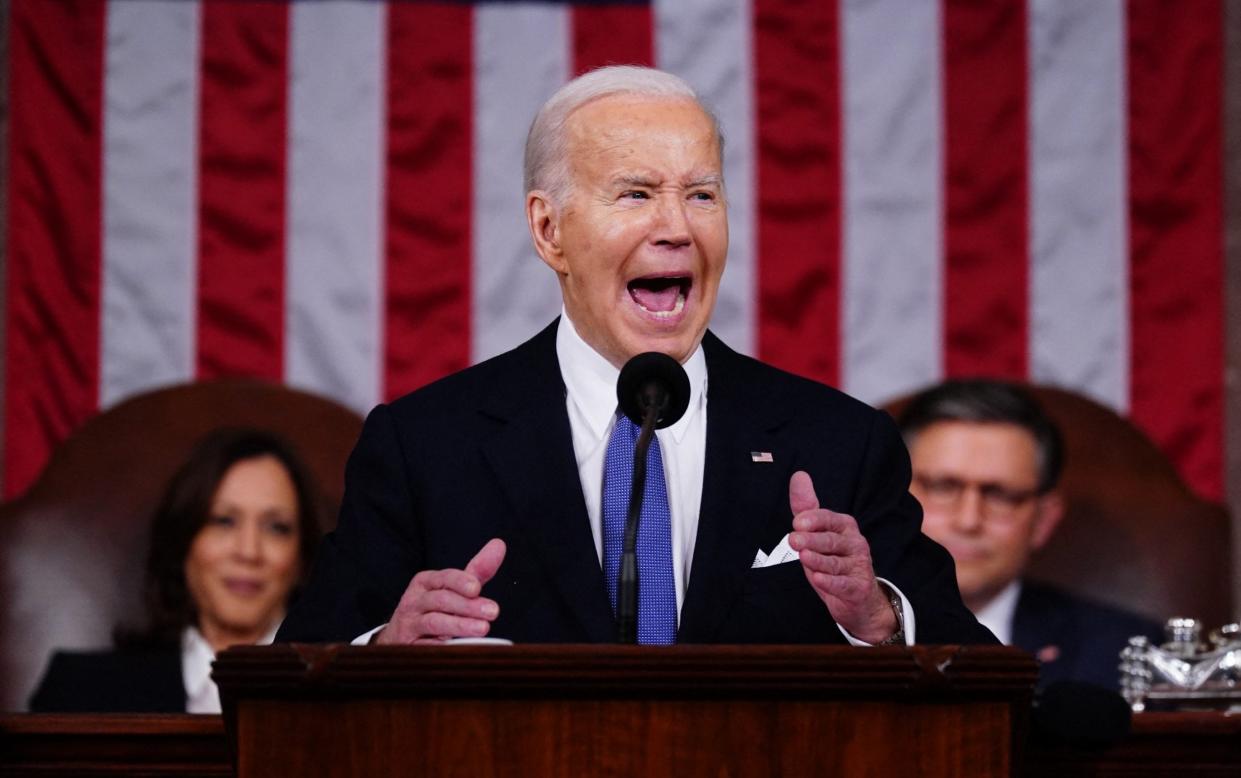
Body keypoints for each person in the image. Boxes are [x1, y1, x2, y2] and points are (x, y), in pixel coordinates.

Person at [277, 65, 993, 648]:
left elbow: (978, 679)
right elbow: (297, 678)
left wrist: (876, 619)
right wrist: (387, 650)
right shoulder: (426, 445)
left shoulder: (837, 443)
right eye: (636, 193)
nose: (676, 227)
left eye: (701, 195)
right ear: (548, 228)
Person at [30, 428, 324, 712]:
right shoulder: (79, 692)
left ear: (302, 558)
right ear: (184, 543)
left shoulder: (340, 700)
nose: (248, 552)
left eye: (276, 528)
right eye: (224, 521)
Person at [896, 379, 1162, 689]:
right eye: (943, 487)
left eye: (1001, 495)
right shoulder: (831, 633)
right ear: (894, 500)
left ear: (1043, 520)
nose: (969, 520)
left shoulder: (1124, 655)